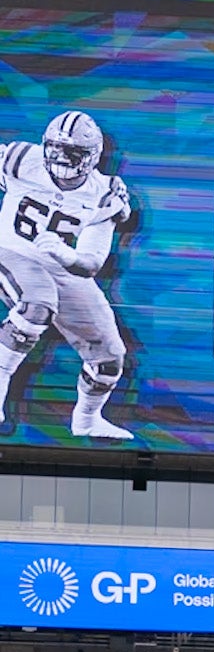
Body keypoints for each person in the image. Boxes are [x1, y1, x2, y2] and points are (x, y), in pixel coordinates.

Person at [0, 112, 136, 440]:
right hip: (11, 250)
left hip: (63, 266)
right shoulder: (20, 158)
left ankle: (87, 420)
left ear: (92, 156)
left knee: (109, 355)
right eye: (55, 148)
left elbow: (91, 263)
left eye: (72, 152)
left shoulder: (104, 193)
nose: (61, 158)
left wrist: (67, 255)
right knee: (38, 302)